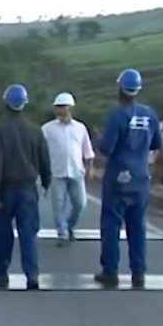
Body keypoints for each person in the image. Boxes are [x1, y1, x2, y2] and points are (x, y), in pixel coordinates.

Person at [94, 68, 162, 287]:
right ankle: (138, 271)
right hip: (141, 178)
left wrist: (98, 139)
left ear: (119, 89)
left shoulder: (117, 115)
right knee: (137, 225)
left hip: (118, 177)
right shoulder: (149, 114)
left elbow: (106, 148)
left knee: (111, 225)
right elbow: (156, 144)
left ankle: (110, 271)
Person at [0, 84, 52, 289]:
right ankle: (32, 274)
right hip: (28, 188)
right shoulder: (35, 131)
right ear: (24, 104)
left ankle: (2, 272)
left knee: (4, 232)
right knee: (28, 233)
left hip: (7, 189)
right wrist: (46, 181)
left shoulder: (0, 130)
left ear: (6, 103)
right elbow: (44, 160)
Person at [41, 92, 95, 247]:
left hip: (76, 171)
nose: (59, 111)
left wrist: (90, 168)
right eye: (57, 107)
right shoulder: (47, 129)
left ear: (70, 108)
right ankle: (63, 233)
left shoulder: (80, 128)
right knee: (58, 205)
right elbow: (40, 150)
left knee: (80, 204)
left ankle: (70, 225)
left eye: (62, 107)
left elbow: (87, 150)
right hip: (57, 172)